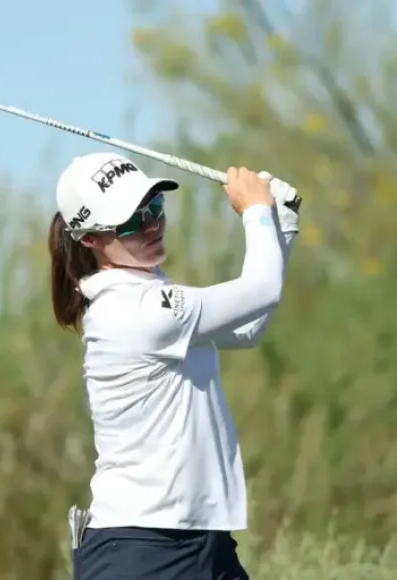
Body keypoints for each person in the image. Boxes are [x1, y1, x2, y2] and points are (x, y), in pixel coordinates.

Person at [47, 152, 300, 580]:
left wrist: (282, 227)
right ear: (90, 238)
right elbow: (261, 290)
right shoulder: (134, 308)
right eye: (130, 222)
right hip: (141, 551)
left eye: (154, 208)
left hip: (201, 541)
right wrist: (256, 211)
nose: (151, 225)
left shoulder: (153, 295)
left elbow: (246, 329)